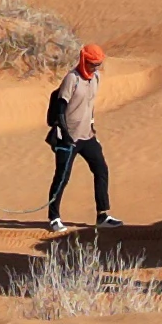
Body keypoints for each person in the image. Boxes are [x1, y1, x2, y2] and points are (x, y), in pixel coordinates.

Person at [43, 44, 112, 230]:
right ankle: (54, 217)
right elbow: (60, 108)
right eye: (91, 63)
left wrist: (92, 127)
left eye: (97, 64)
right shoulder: (72, 79)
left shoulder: (96, 78)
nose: (94, 67)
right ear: (83, 60)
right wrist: (64, 134)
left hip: (87, 136)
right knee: (62, 177)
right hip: (68, 137)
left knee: (101, 170)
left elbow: (90, 105)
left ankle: (102, 215)